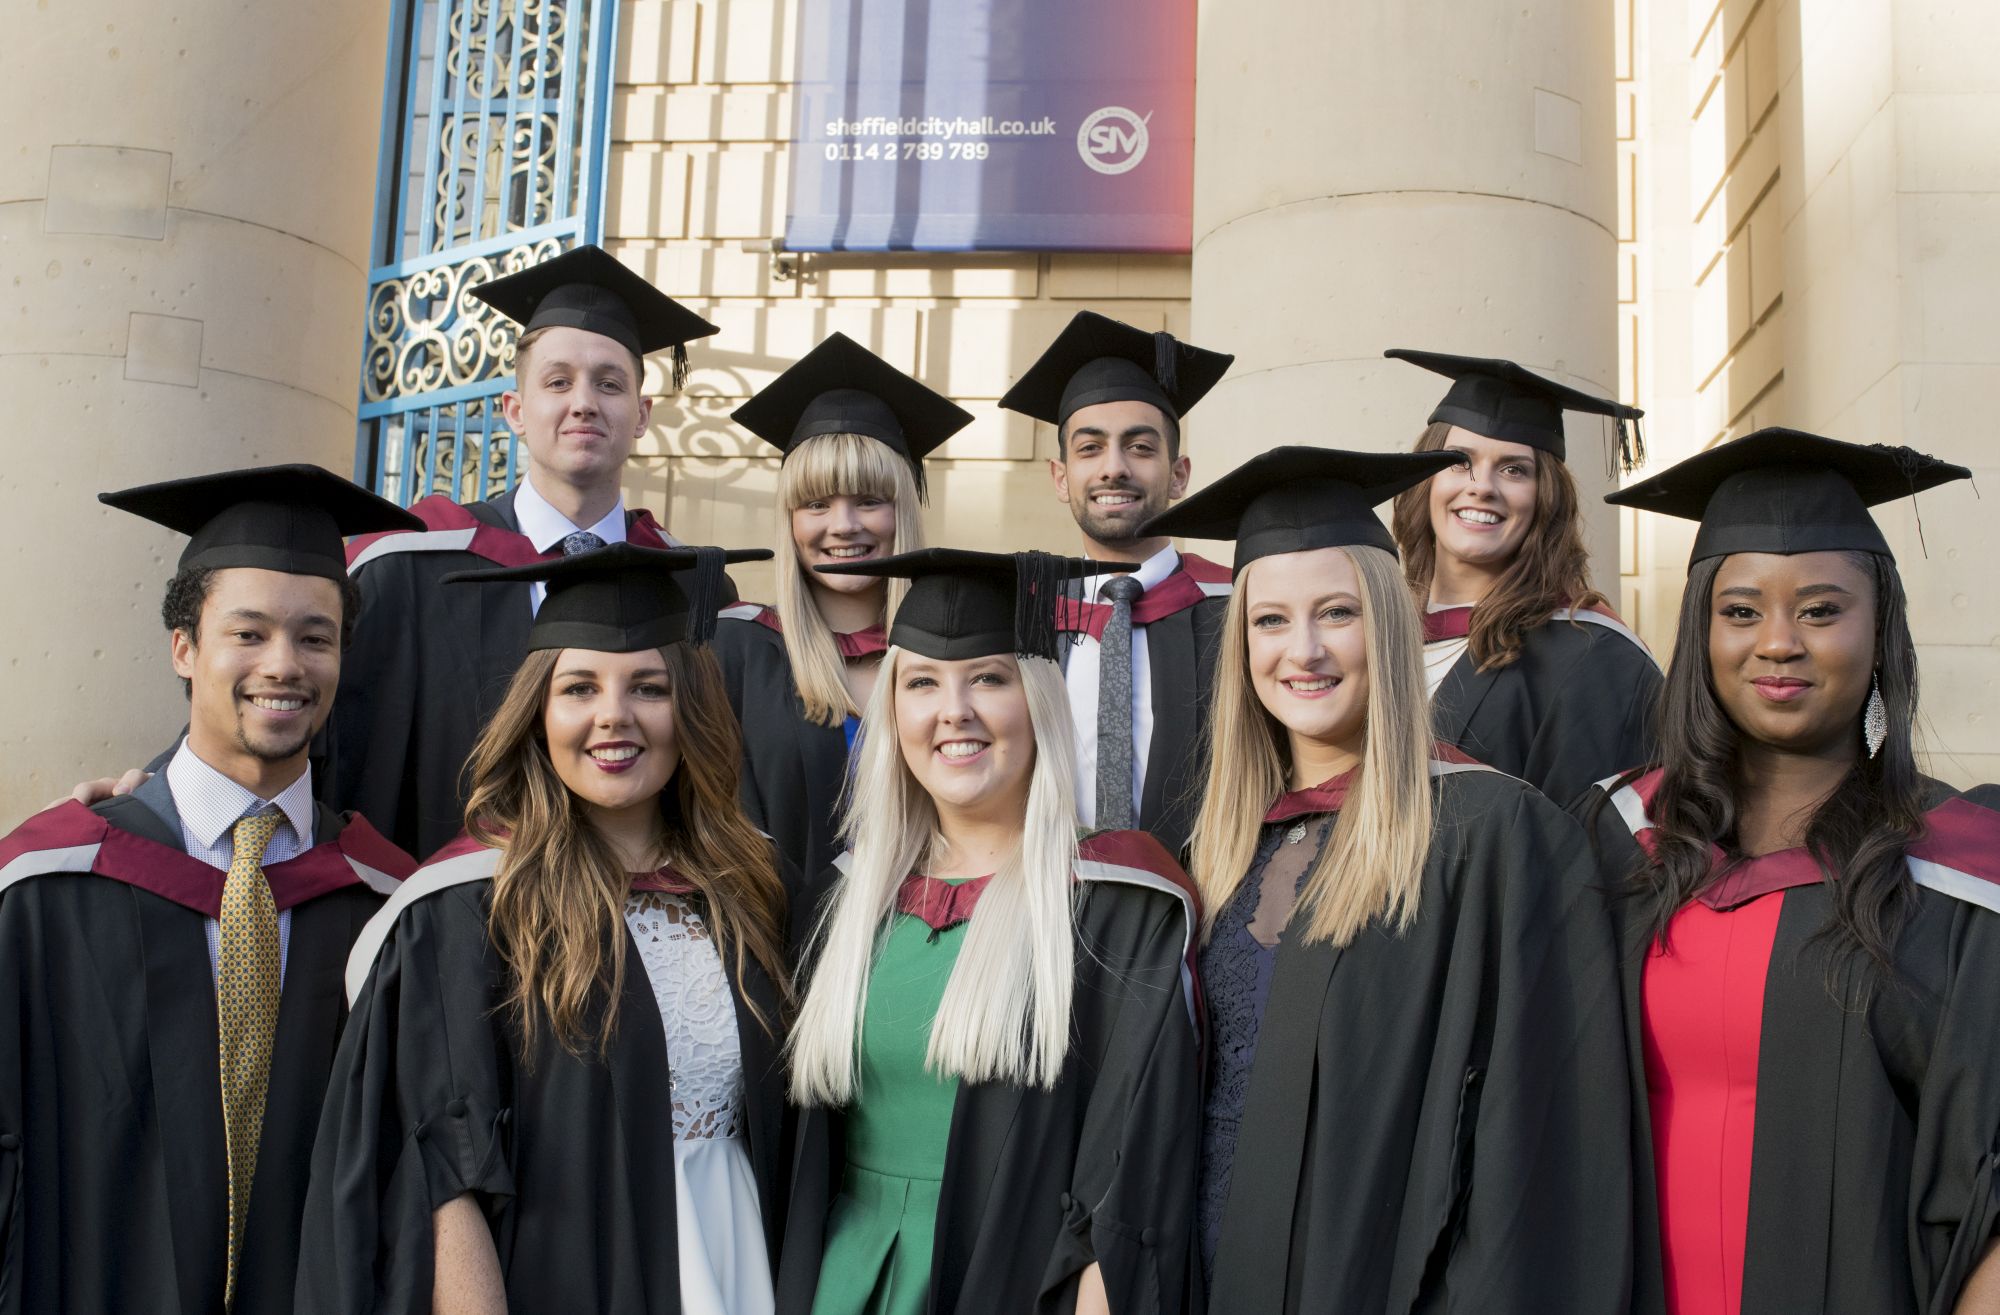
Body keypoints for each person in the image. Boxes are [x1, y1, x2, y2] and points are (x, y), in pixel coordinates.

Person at [1142, 446, 1633, 1312]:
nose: (1304, 651)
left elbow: (1538, 1140)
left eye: (1338, 612)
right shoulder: (1218, 850)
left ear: (1389, 623)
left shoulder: (1492, 834)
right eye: (1269, 621)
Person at [297, 541, 790, 1315]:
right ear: (540, 711)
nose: (612, 716)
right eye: (579, 687)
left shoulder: (743, 892)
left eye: (649, 687)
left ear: (689, 708)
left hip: (733, 1261)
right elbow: (442, 1175)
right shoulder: (470, 907)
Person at [1577, 429, 2000, 1314]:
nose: (1778, 642)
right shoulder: (1618, 835)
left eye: (1819, 610)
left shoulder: (1960, 876)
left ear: (1880, 629)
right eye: (1741, 611)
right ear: (1701, 629)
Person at [0, 465, 419, 1311]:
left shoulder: (392, 906)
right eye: (249, 633)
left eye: (315, 637)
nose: (284, 665)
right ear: (185, 647)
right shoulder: (49, 887)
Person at [778, 548, 1201, 1315]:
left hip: (1021, 1284)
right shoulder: (839, 906)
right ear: (892, 710)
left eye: (990, 678)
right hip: (847, 1284)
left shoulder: (1116, 905)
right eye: (922, 683)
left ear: (1037, 698)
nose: (954, 710)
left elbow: (1130, 1175)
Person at [329, 243, 723, 859]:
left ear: (642, 414)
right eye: (558, 381)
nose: (584, 402)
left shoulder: (694, 588)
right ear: (514, 410)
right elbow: (307, 726)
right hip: (446, 920)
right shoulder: (414, 568)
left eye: (610, 384)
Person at [713, 332, 971, 895]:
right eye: (816, 504)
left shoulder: (956, 651)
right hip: (779, 955)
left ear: (902, 509)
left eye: (869, 501)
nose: (844, 525)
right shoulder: (738, 652)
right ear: (790, 519)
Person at [1000, 311, 1235, 856]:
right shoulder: (1020, 621)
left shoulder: (1239, 610)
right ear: (1061, 478)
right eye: (1089, 448)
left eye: (1141, 447)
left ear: (1179, 475)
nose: (1114, 468)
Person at [1383, 348, 1663, 804]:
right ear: (1425, 479)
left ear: (1545, 498)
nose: (1482, 486)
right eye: (1459, 460)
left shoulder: (1594, 656)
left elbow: (1604, 851)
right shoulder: (1375, 635)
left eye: (1514, 469)